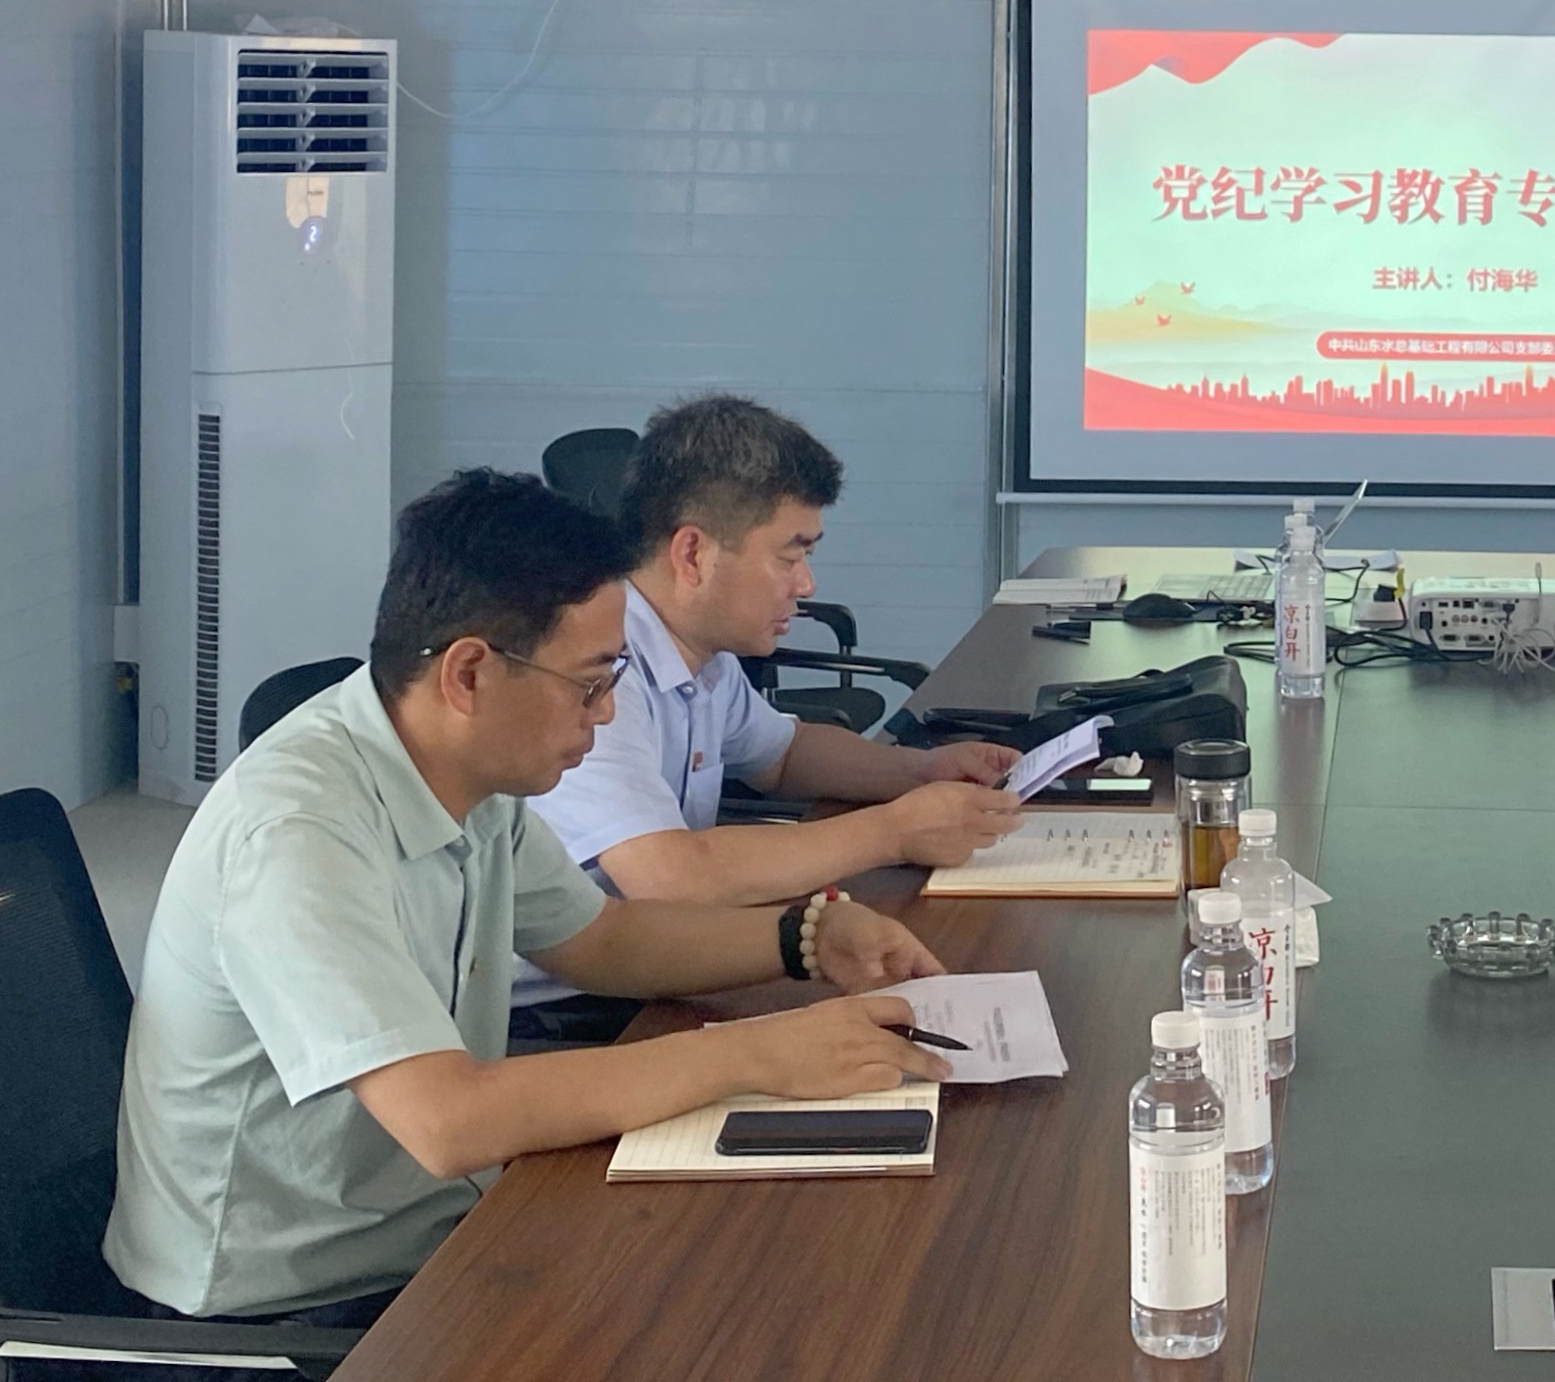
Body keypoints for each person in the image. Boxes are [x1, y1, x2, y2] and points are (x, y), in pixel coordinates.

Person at [107, 470, 956, 1324]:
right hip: (286, 1304)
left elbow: (602, 939)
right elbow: (449, 1122)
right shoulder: (297, 834)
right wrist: (756, 1054)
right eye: (589, 683)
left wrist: (806, 938)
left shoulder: (465, 767)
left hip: (429, 1222)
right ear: (470, 675)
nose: (607, 713)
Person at [515, 394, 1024, 1044]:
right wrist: (895, 831)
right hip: (566, 1016)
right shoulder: (597, 671)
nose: (806, 584)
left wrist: (919, 770)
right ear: (693, 553)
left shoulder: (701, 655)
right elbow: (672, 879)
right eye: (789, 556)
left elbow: (783, 755)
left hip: (656, 970)